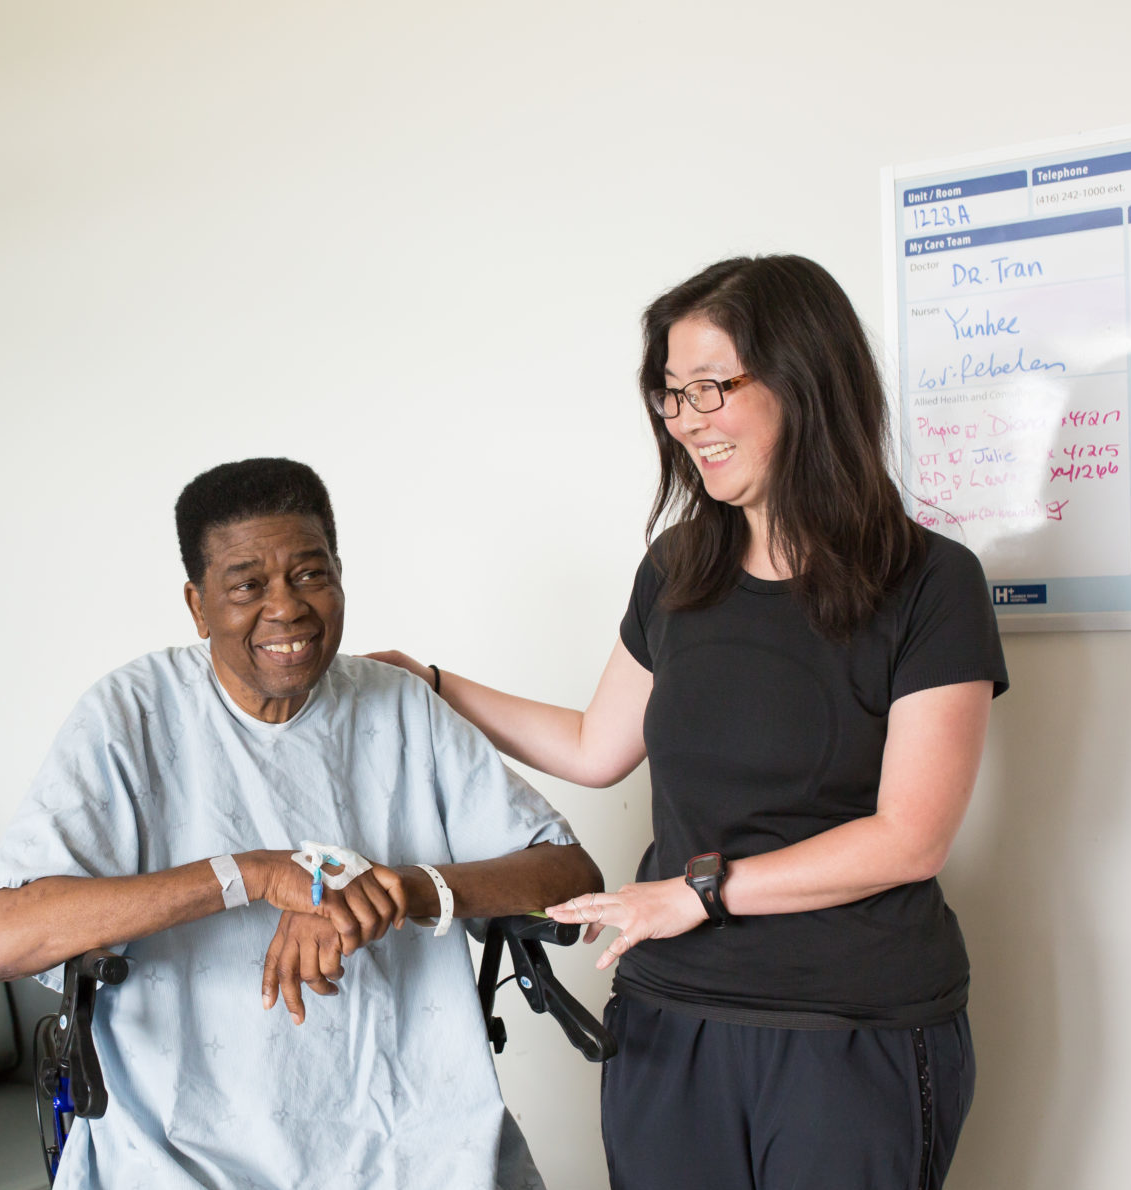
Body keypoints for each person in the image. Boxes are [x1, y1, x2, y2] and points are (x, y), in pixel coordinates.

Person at [370, 255, 1008, 1189]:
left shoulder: (930, 583)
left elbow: (911, 838)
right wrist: (431, 683)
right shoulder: (678, 571)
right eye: (672, 396)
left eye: (712, 389)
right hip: (672, 1018)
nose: (688, 422)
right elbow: (596, 747)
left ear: (808, 381)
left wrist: (694, 894)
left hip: (850, 1026)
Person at [0, 456, 603, 1190]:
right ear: (198, 604)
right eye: (247, 585)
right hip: (183, 1148)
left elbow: (569, 872)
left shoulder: (399, 706)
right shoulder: (130, 716)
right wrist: (251, 875)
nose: (287, 608)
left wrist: (398, 888)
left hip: (416, 1140)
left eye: (311, 575)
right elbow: (5, 937)